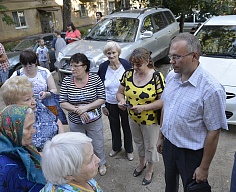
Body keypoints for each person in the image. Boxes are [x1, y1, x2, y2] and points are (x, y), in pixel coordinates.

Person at [156, 33, 228, 192]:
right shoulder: (171, 76)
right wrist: (161, 136)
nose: (171, 61)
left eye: (176, 57)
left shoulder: (211, 89)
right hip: (169, 145)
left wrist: (204, 167)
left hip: (191, 154)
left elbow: (214, 131)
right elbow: (166, 107)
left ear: (194, 56)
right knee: (170, 183)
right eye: (170, 56)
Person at [116, 48, 165, 185]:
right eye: (132, 64)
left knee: (150, 146)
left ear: (147, 61)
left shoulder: (157, 77)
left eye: (138, 65)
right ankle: (141, 163)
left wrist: (143, 108)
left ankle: (150, 169)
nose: (134, 68)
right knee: (138, 143)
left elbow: (162, 101)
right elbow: (120, 92)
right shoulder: (128, 74)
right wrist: (121, 100)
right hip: (133, 117)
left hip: (150, 120)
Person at [60, 53, 107, 176]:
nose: (72, 69)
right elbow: (63, 102)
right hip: (76, 122)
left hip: (94, 120)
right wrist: (78, 110)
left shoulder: (95, 79)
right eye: (71, 66)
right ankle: (84, 166)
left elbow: (102, 98)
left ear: (85, 66)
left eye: (76, 66)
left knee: (98, 143)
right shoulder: (66, 81)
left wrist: (85, 108)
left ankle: (101, 163)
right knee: (80, 146)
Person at [9, 50, 64, 151]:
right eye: (25, 66)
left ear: (36, 63)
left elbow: (54, 90)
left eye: (31, 65)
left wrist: (46, 93)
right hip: (26, 110)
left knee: (52, 125)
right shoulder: (17, 74)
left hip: (45, 106)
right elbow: (7, 90)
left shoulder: (44, 72)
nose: (28, 68)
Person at [1, 76, 64, 152]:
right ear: (12, 104)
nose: (34, 102)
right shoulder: (12, 125)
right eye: (27, 99)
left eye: (33, 96)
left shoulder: (37, 105)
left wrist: (62, 142)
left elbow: (57, 121)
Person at [97, 41, 134, 160]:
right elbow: (100, 86)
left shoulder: (126, 65)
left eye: (113, 52)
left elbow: (133, 83)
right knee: (114, 126)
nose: (111, 56)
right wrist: (102, 106)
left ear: (118, 52)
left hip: (125, 102)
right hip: (109, 102)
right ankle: (116, 147)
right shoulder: (103, 67)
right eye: (109, 53)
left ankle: (129, 149)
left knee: (127, 126)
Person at [0, 105, 46, 191]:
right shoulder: (4, 165)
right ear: (12, 130)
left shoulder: (23, 147)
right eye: (28, 128)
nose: (34, 131)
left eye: (33, 126)